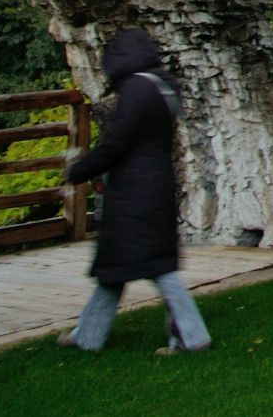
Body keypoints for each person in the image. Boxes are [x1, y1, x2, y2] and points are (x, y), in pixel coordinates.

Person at [60, 27, 212, 354]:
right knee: (115, 269)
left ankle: (192, 336)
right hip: (157, 184)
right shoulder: (163, 87)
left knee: (156, 268)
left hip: (134, 192)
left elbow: (115, 143)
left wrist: (79, 170)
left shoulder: (137, 89)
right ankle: (87, 335)